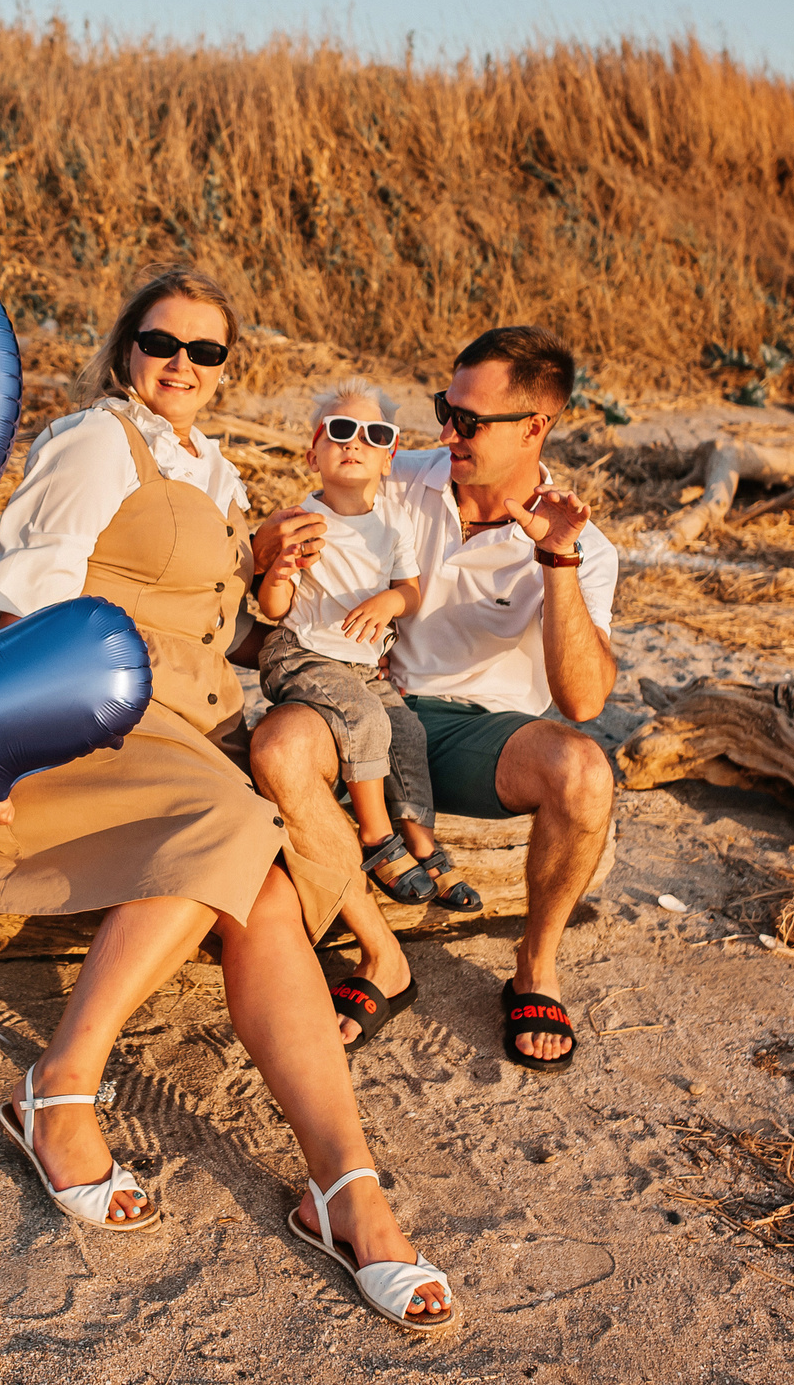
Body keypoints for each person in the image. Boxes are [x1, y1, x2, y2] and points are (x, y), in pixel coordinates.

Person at [0, 265, 456, 1333]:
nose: (181, 363)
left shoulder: (216, 471)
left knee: (264, 891)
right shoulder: (92, 440)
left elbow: (229, 636)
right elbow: (24, 590)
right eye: (161, 342)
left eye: (205, 350)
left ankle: (345, 1185)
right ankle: (60, 1087)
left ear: (223, 370)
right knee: (238, 827)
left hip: (191, 734)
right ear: (128, 349)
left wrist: (279, 583)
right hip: (84, 717)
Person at [249, 326, 619, 1070]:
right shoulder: (393, 476)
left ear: (535, 427)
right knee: (279, 747)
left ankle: (535, 968)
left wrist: (556, 559)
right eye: (444, 409)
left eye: (469, 421)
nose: (446, 432)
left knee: (585, 772)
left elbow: (582, 701)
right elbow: (281, 542)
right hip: (361, 699)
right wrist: (271, 548)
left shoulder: (586, 545)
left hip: (484, 739)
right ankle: (382, 955)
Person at [251, 382, 478, 938]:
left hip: (358, 665)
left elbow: (411, 593)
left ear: (389, 456)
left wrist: (389, 603)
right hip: (302, 653)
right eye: (340, 431)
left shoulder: (392, 528)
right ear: (314, 453)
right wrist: (279, 574)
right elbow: (273, 608)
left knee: (407, 731)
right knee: (365, 717)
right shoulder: (304, 521)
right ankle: (376, 835)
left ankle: (421, 840)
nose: (355, 443)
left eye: (373, 434)